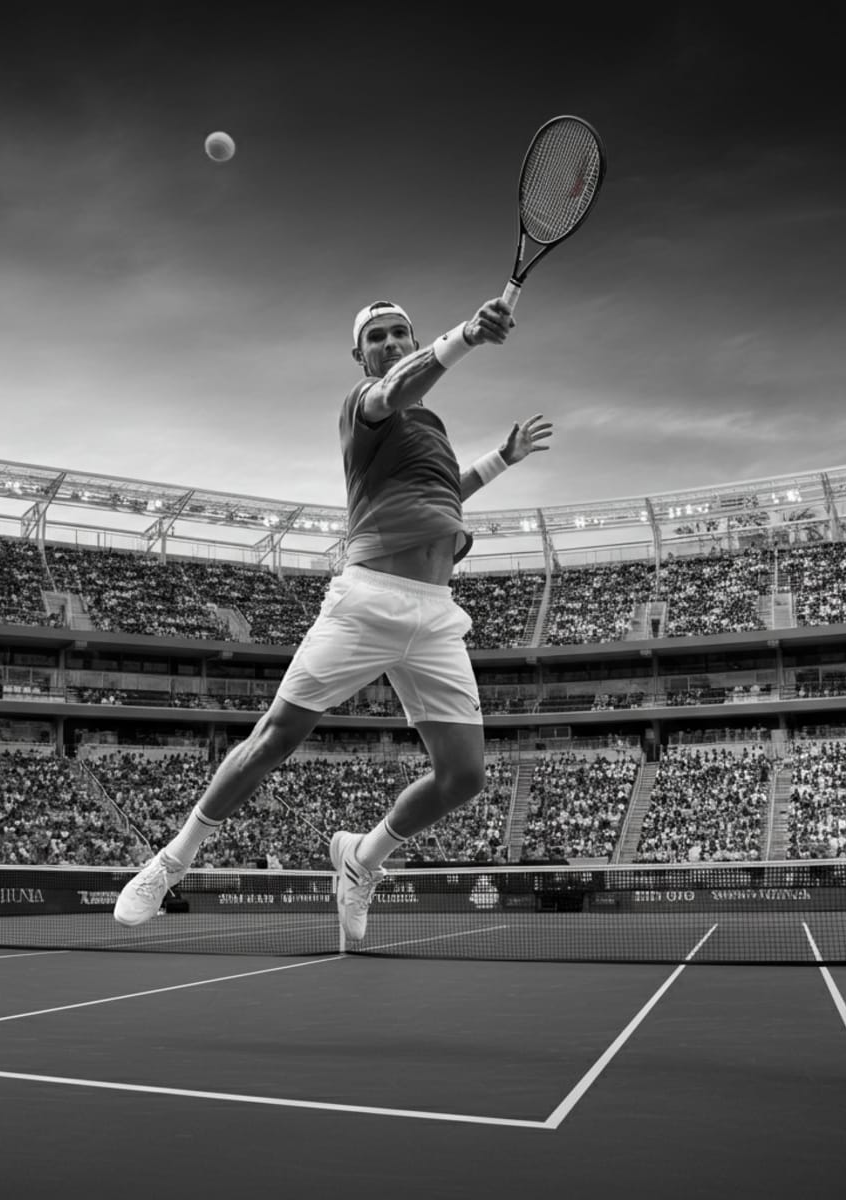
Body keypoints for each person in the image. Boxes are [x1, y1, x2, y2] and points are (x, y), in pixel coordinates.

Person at [114, 295, 552, 940]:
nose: (393, 342)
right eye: (379, 337)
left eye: (402, 332)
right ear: (361, 354)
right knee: (275, 737)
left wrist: (502, 459)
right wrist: (463, 336)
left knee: (464, 777)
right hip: (368, 599)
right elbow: (401, 385)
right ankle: (171, 861)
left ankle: (360, 858)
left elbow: (442, 494)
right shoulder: (367, 403)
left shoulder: (428, 426)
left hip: (436, 613)